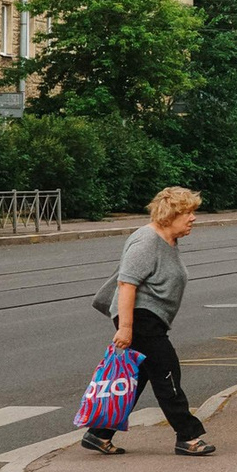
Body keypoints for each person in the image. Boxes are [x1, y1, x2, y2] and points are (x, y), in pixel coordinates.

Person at [82, 186, 215, 457]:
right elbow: (126, 284)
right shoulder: (146, 241)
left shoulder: (169, 240)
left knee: (137, 377)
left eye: (193, 212)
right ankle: (187, 437)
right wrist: (126, 328)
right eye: (187, 212)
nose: (193, 218)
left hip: (151, 318)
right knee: (168, 374)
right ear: (170, 214)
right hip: (140, 318)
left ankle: (98, 434)